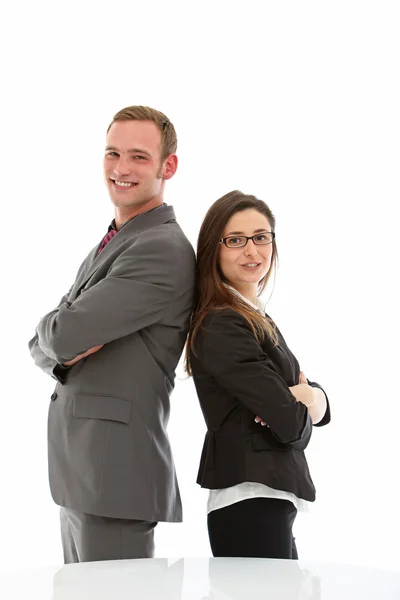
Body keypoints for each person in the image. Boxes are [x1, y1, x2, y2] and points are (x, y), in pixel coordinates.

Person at [28, 105, 195, 563]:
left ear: (168, 166)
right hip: (83, 473)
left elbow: (59, 336)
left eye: (139, 156)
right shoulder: (118, 239)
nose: (121, 168)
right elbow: (43, 346)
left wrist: (59, 328)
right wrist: (59, 335)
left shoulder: (160, 247)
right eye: (113, 153)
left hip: (115, 476)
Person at [186, 191, 330, 559]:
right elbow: (288, 421)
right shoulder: (222, 322)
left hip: (267, 499)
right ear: (213, 250)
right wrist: (298, 401)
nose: (252, 250)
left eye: (261, 237)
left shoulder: (254, 317)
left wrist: (312, 397)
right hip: (249, 500)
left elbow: (310, 406)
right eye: (235, 240)